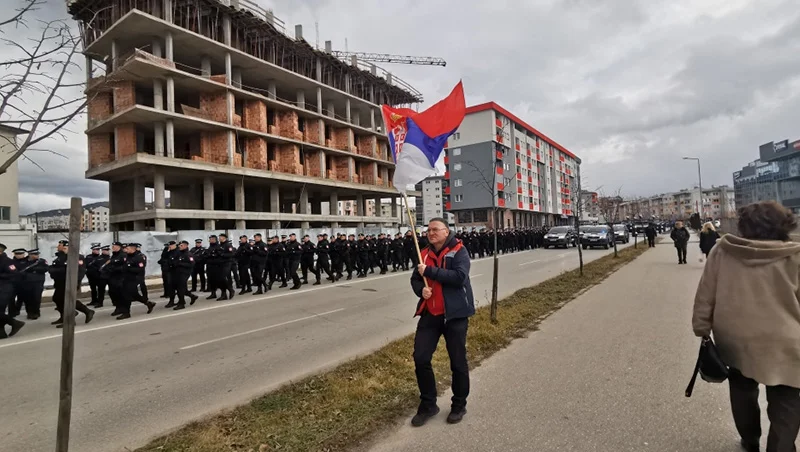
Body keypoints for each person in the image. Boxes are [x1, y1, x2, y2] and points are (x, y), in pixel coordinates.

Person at [692, 201, 800, 452]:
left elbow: (706, 293)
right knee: (787, 399)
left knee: (742, 390)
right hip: (786, 341)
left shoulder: (722, 251)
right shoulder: (795, 255)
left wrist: (701, 328)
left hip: (736, 338)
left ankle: (750, 440)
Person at [409, 217, 475, 427]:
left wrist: (429, 271)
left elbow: (459, 277)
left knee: (457, 361)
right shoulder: (424, 253)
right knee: (420, 358)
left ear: (446, 231)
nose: (431, 233)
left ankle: (459, 404)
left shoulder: (459, 250)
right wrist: (421, 290)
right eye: (428, 230)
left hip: (454, 315)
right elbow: (415, 279)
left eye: (435, 229)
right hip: (430, 314)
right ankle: (428, 404)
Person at [48, 240, 95, 327]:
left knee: (68, 300)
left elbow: (79, 271)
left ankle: (71, 319)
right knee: (57, 299)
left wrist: (75, 282)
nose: (59, 247)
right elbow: (52, 268)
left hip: (70, 282)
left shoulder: (77, 257)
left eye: (61, 246)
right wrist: (57, 271)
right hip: (60, 282)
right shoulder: (60, 257)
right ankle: (65, 316)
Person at [0, 243, 25, 339]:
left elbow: (15, 274)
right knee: (0, 311)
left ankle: (14, 322)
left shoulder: (7, 261)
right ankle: (1, 333)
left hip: (5, 289)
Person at [168, 240, 199, 310]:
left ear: (186, 246)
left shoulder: (188, 254)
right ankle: (192, 296)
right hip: (177, 273)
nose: (180, 246)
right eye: (179, 245)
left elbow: (191, 264)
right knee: (180, 288)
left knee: (180, 289)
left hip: (184, 273)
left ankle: (181, 303)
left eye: (181, 245)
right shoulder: (178, 253)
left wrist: (180, 264)